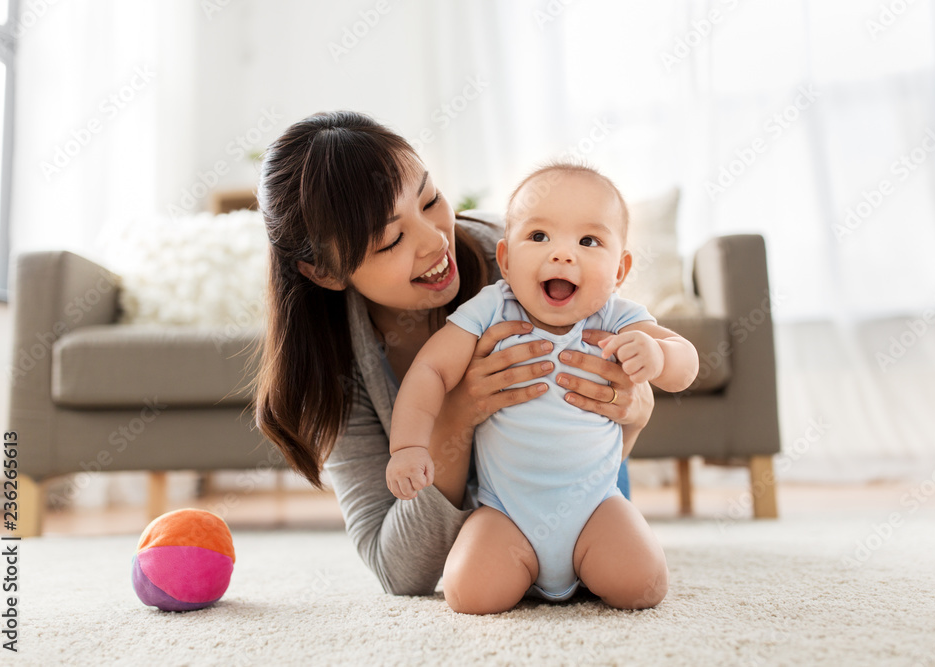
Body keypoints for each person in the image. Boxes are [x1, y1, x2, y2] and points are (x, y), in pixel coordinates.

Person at [252, 110, 657, 601]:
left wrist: (634, 413)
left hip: (591, 499)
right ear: (324, 273)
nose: (435, 239)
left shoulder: (525, 264)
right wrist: (455, 417)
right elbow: (398, 570)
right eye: (392, 239)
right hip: (495, 538)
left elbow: (612, 398)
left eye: (430, 199)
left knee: (631, 574)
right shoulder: (334, 366)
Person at [386, 163, 699, 614]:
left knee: (642, 586)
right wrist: (409, 446)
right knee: (469, 594)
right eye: (539, 237)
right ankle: (525, 568)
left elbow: (684, 362)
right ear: (507, 260)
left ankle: (588, 562)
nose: (563, 255)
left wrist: (659, 355)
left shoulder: (616, 316)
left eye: (589, 241)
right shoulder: (491, 308)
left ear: (620, 269)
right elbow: (430, 371)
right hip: (506, 514)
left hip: (596, 506)